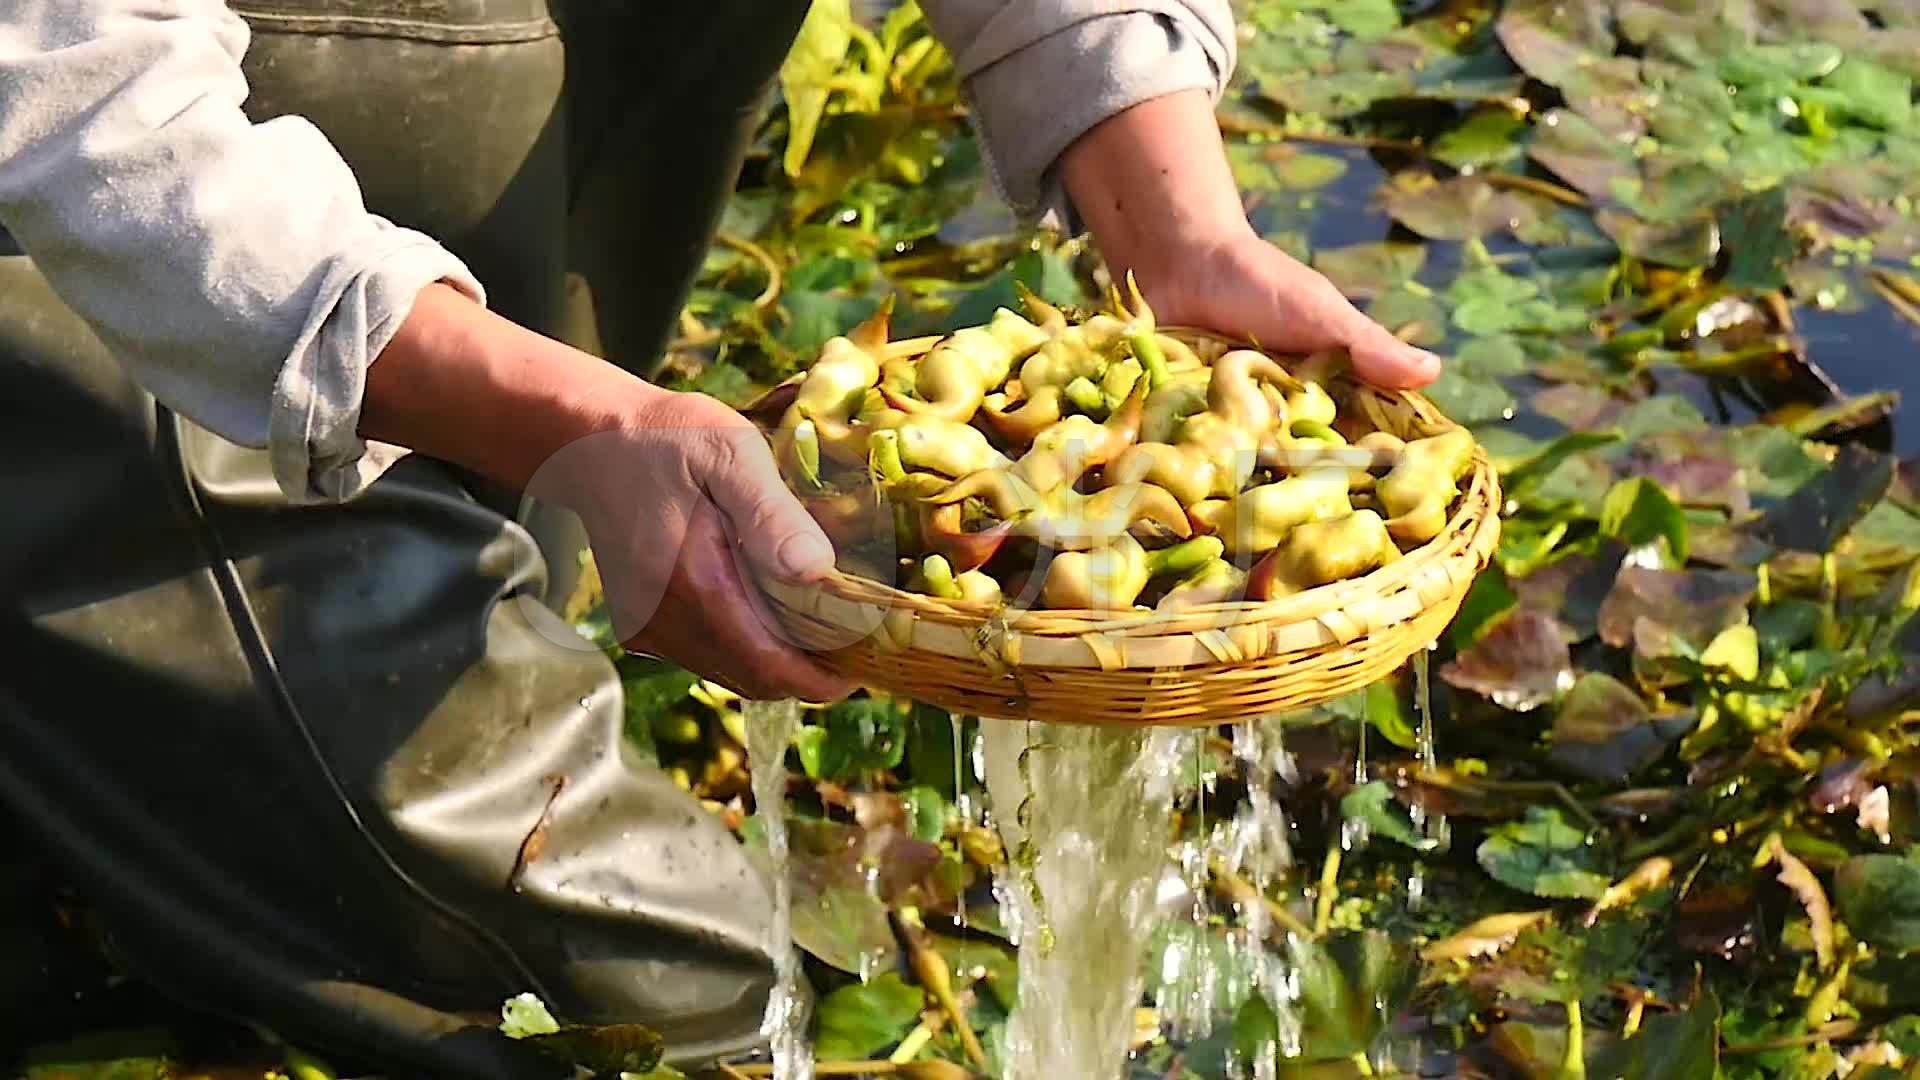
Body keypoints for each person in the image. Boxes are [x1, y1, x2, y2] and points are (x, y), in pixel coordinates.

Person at [0, 0, 1442, 1075]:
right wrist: (572, 422)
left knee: (482, 652)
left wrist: (1173, 222)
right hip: (103, 231)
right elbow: (83, 108)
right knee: (673, 992)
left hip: (466, 131)